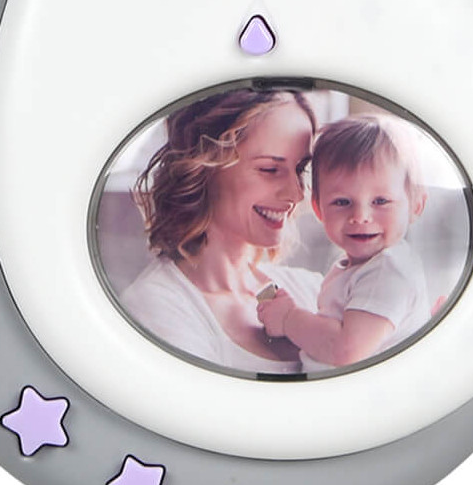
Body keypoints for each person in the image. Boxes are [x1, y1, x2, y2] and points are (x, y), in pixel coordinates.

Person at [120, 88, 322, 373]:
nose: (296, 194)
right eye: (269, 169)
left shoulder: (312, 290)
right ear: (205, 166)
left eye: (300, 169)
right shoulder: (159, 306)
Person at [257, 114, 430, 370]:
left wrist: (289, 319)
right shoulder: (356, 267)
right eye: (342, 202)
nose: (360, 216)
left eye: (380, 201)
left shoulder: (388, 270)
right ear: (319, 209)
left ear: (416, 205)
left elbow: (346, 350)